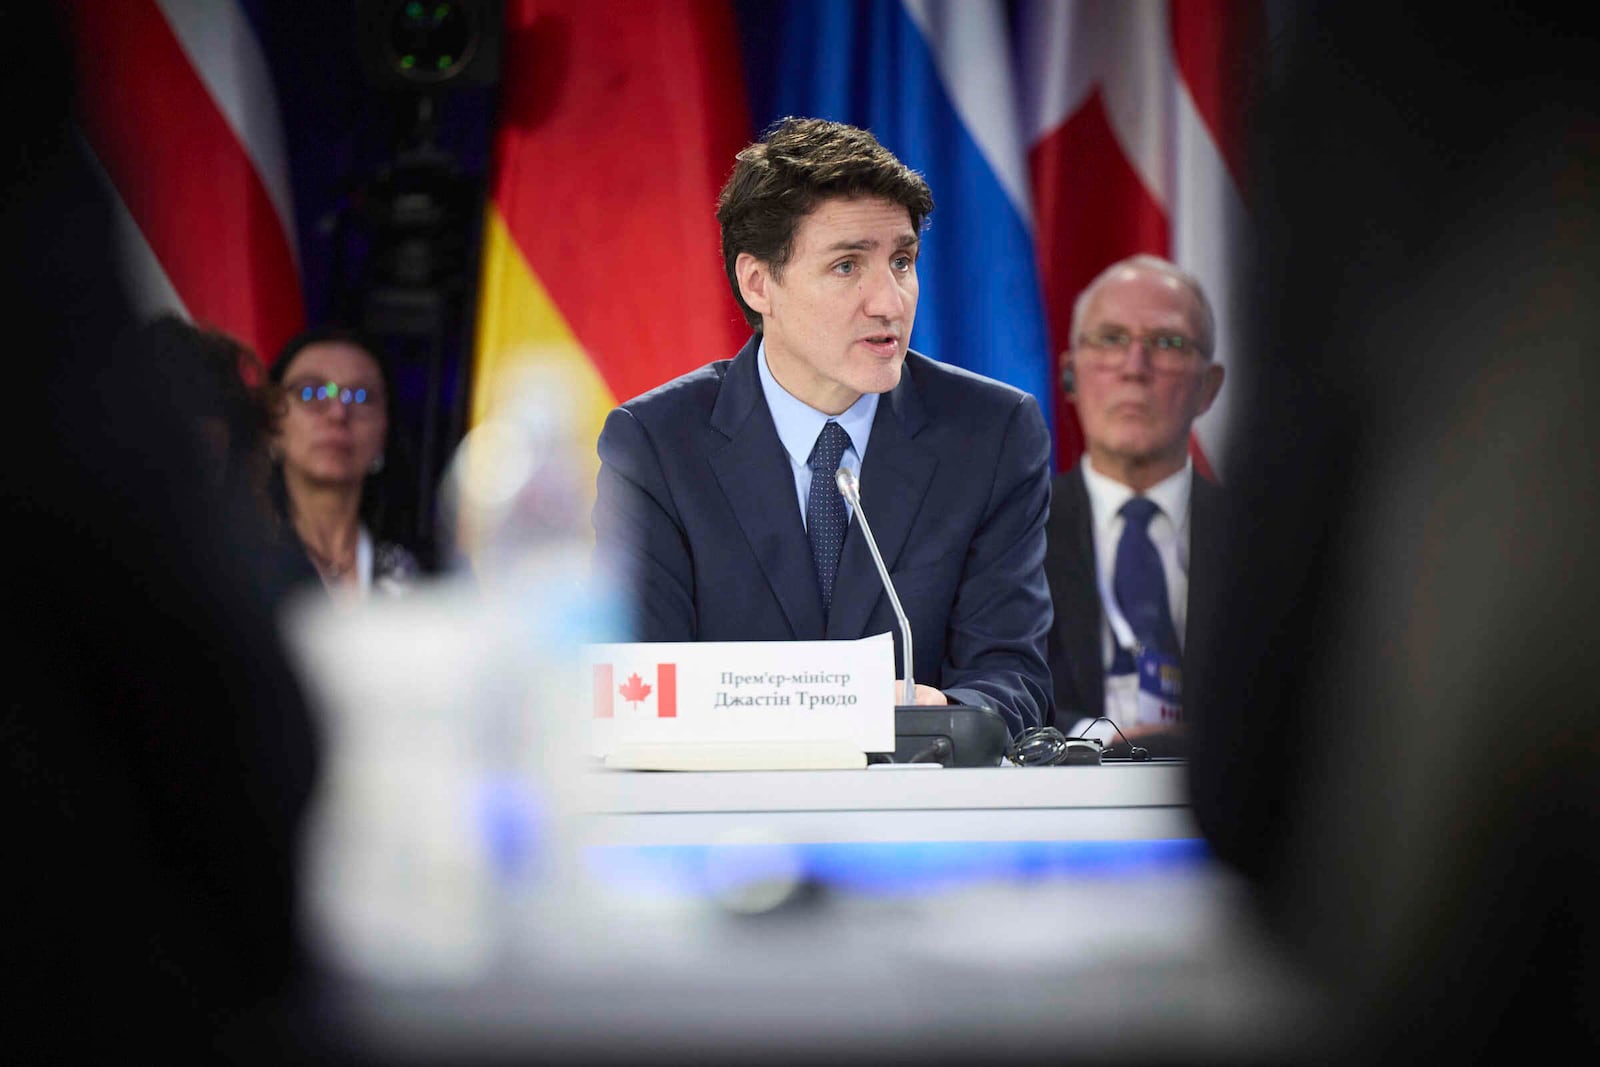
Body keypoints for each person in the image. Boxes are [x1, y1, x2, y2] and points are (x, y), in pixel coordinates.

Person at [593, 117, 1053, 736]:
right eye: (846, 267)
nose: (890, 301)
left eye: (901, 262)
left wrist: (941, 715)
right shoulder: (656, 446)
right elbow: (639, 685)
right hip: (730, 817)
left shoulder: (992, 433)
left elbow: (1013, 679)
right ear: (759, 283)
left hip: (919, 811)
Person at [1043, 255, 1225, 754]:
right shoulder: (1013, 532)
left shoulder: (1269, 538)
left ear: (1209, 387)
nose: (1134, 368)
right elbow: (991, 692)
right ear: (1070, 375)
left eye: (1166, 343)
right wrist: (1098, 741)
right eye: (1110, 339)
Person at [268, 326, 420, 598]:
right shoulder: (235, 562)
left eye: (361, 396)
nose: (338, 412)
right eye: (310, 393)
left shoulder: (424, 576)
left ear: (386, 430)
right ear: (274, 424)